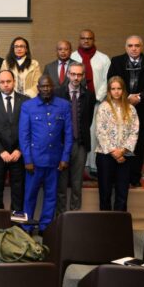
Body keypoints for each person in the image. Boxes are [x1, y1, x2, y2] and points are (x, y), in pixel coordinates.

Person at [19, 75, 72, 232]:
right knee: (29, 196)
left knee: (51, 196)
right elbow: (24, 135)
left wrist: (65, 157)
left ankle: (45, 228)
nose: (46, 89)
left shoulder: (64, 105)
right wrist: (27, 159)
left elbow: (68, 134)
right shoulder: (28, 106)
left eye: (49, 86)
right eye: (43, 86)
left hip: (55, 160)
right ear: (38, 88)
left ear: (53, 87)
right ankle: (26, 228)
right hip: (34, 161)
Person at [107, 35, 144, 187]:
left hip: (143, 111)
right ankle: (119, 179)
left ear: (142, 47)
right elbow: (110, 82)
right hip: (120, 110)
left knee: (138, 146)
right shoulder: (116, 61)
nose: (134, 48)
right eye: (130, 45)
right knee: (120, 144)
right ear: (126, 47)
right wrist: (127, 96)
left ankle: (135, 178)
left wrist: (141, 97)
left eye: (137, 45)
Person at [55, 62, 96, 214]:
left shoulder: (89, 95)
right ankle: (60, 216)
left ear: (83, 76)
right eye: (73, 74)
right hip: (61, 145)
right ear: (68, 74)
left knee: (77, 184)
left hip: (80, 144)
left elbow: (88, 120)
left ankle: (75, 215)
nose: (76, 77)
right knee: (61, 184)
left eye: (79, 74)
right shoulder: (57, 93)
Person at [0, 70, 29, 211]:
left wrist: (20, 150)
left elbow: (29, 128)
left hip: (18, 154)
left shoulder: (25, 101)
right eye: (2, 82)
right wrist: (1, 151)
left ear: (14, 82)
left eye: (8, 81)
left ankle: (17, 221)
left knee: (18, 190)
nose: (6, 85)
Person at [94, 76, 139, 211]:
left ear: (123, 90)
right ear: (109, 91)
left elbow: (134, 131)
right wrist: (114, 152)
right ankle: (105, 222)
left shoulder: (131, 109)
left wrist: (122, 151)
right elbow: (100, 132)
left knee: (122, 194)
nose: (116, 91)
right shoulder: (103, 107)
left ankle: (119, 222)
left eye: (119, 88)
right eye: (113, 89)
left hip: (125, 156)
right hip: (105, 155)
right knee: (105, 193)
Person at [71, 29, 112, 177]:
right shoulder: (73, 57)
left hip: (97, 102)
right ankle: (80, 166)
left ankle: (93, 166)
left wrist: (96, 97)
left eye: (89, 38)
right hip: (76, 102)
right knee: (78, 132)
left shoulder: (104, 59)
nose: (86, 40)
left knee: (95, 133)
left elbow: (107, 80)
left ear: (94, 40)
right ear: (79, 40)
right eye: (83, 38)